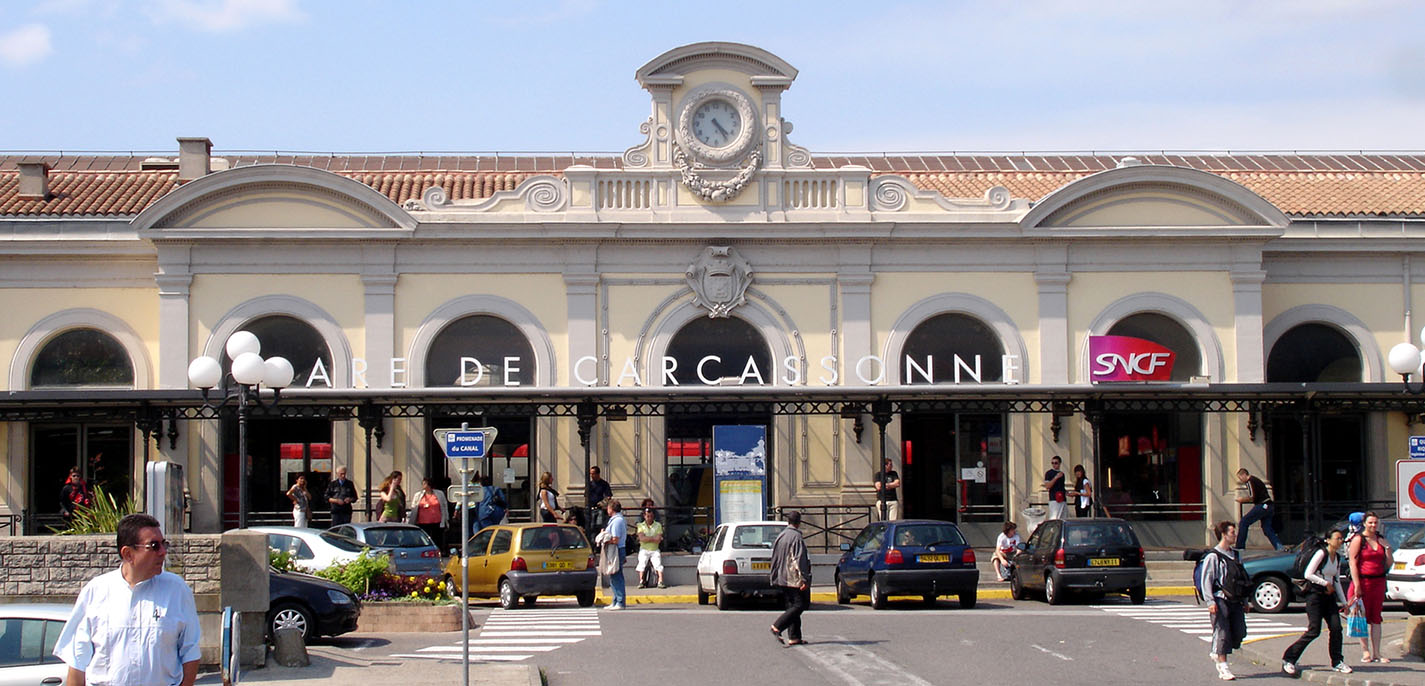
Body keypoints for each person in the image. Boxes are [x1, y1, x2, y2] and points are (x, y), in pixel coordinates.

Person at [53, 513, 201, 686]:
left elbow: (190, 652)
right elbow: (78, 660)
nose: (162, 552)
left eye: (164, 544)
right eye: (154, 546)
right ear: (128, 554)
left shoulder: (177, 590)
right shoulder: (96, 592)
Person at [1281, 529, 1352, 677]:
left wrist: (1345, 603)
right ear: (1328, 540)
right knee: (1314, 631)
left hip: (1329, 597)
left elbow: (1337, 580)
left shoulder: (1337, 558)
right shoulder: (1321, 554)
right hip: (1315, 596)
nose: (1341, 541)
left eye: (1342, 538)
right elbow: (1308, 574)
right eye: (1338, 538)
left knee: (1336, 628)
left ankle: (1337, 662)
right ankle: (1289, 658)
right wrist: (1325, 583)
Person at [1199, 521, 1249, 681]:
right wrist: (1210, 602)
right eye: (1232, 532)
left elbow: (1242, 579)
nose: (1235, 535)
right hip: (1220, 599)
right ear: (1223, 535)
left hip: (1236, 599)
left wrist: (1245, 600)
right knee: (1222, 632)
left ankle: (1216, 651)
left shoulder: (1236, 555)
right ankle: (1223, 666)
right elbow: (1206, 580)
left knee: (1239, 632)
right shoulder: (1213, 556)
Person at [1347, 511, 1391, 663]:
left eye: (1375, 523)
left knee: (1376, 618)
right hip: (1362, 582)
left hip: (1378, 582)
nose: (1373, 525)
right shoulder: (1359, 539)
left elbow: (1388, 564)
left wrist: (1388, 549)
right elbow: (1352, 562)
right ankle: (1365, 652)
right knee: (1362, 618)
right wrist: (1357, 585)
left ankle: (1377, 653)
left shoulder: (1381, 539)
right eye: (1370, 522)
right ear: (1365, 523)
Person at [769, 510, 812, 647]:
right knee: (801, 604)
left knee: (791, 606)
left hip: (782, 576)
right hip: (792, 577)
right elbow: (799, 560)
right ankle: (778, 626)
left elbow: (774, 558)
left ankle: (794, 637)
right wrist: (804, 579)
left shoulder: (780, 536)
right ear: (799, 523)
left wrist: (774, 576)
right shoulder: (796, 538)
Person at [1234, 468, 1282, 551]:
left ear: (1244, 475)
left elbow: (1252, 497)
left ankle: (1239, 546)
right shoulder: (1256, 480)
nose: (1241, 480)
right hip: (1269, 505)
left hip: (1262, 505)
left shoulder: (1249, 481)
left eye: (1240, 478)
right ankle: (1279, 547)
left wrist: (1242, 500)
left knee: (1244, 522)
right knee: (1267, 528)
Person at [594, 500, 628, 610]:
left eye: (608, 508)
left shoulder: (617, 521)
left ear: (611, 509)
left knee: (616, 576)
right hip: (615, 550)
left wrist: (604, 539)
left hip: (616, 550)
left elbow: (615, 539)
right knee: (613, 576)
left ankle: (620, 601)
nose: (607, 510)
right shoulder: (614, 520)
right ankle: (615, 600)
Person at [407, 477, 449, 545]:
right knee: (424, 539)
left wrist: (446, 519)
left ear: (429, 484)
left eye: (425, 483)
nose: (423, 485)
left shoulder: (439, 494)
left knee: (436, 539)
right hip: (422, 522)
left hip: (436, 522)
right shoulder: (418, 495)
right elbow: (414, 507)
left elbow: (444, 506)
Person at [635, 507, 666, 589]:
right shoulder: (640, 525)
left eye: (651, 516)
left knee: (658, 564)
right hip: (644, 549)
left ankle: (660, 581)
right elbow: (642, 538)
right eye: (647, 516)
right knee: (642, 563)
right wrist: (653, 538)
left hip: (654, 549)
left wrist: (647, 538)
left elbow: (658, 539)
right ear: (644, 516)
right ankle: (641, 581)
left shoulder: (658, 525)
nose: (649, 518)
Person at [586, 465, 613, 538]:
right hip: (591, 509)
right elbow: (586, 496)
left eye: (593, 473)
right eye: (590, 474)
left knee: (599, 525)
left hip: (600, 509)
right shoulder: (589, 484)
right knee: (591, 527)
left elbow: (608, 496)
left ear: (598, 474)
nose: (591, 475)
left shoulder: (604, 484)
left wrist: (602, 503)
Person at [1043, 455, 1067, 520]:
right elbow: (1048, 486)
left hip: (1062, 499)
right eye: (1052, 463)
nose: (1054, 465)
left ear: (1059, 463)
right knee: (1054, 518)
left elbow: (1062, 486)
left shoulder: (1062, 474)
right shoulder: (1049, 473)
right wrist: (1056, 478)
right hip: (1054, 499)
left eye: (1056, 463)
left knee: (1063, 518)